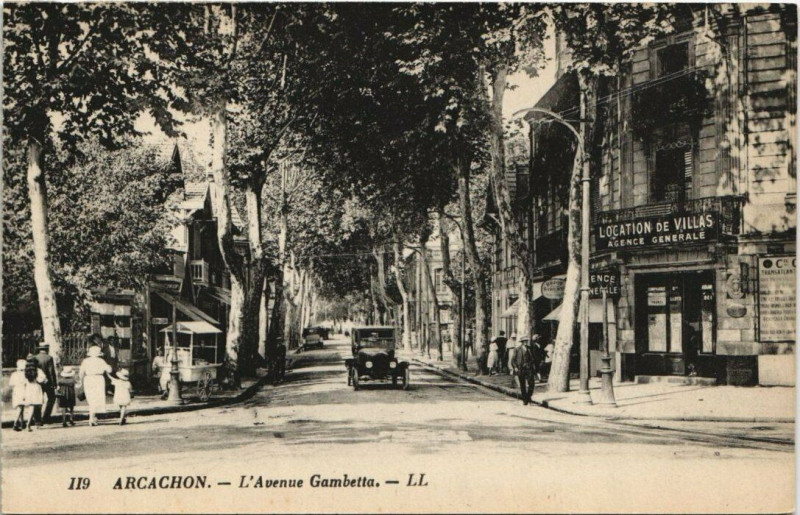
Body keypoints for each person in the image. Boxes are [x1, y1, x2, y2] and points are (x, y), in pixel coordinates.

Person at [79, 345, 112, 426]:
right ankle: (92, 418)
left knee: (91, 398)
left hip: (88, 379)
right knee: (96, 398)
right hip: (98, 379)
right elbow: (109, 370)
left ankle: (92, 417)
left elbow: (81, 373)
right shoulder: (101, 361)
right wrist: (109, 366)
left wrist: (81, 381)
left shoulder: (85, 361)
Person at [33, 343, 58, 424]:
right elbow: (51, 372)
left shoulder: (35, 357)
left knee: (38, 400)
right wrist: (54, 383)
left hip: (37, 382)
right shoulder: (49, 358)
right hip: (47, 382)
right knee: (51, 398)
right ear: (47, 349)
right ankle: (46, 417)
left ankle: (37, 419)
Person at [513, 335, 539, 405]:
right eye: (524, 341)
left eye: (526, 341)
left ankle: (528, 396)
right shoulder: (517, 349)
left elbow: (533, 358)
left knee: (532, 383)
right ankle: (525, 399)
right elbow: (513, 360)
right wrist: (515, 367)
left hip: (529, 368)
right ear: (521, 342)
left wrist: (533, 364)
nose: (525, 342)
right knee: (522, 384)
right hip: (520, 368)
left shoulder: (529, 349)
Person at [23, 358, 47, 431]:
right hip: (36, 388)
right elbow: (43, 380)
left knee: (31, 407)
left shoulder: (26, 371)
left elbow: (23, 382)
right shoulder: (38, 371)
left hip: (28, 389)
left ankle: (30, 423)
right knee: (37, 406)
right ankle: (31, 423)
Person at [9, 359, 28, 431]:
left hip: (16, 390)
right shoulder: (25, 374)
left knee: (20, 407)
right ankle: (15, 423)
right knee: (20, 407)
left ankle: (22, 423)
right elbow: (26, 383)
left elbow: (11, 383)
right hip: (22, 390)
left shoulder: (14, 374)